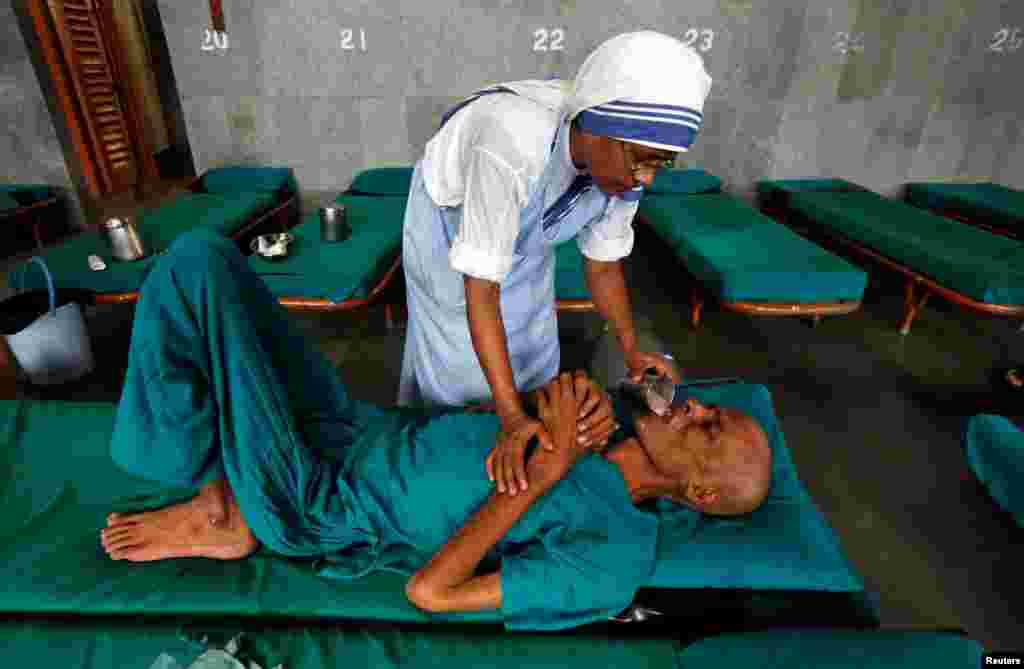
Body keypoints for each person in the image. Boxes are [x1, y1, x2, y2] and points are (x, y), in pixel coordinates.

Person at [99, 233, 770, 630]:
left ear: (700, 494)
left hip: (318, 494)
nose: (692, 407)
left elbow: (432, 592)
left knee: (192, 266)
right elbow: (486, 431)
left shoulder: (614, 558)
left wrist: (548, 470)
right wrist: (544, 405)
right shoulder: (609, 417)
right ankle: (223, 486)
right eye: (709, 407)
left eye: (708, 428)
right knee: (214, 258)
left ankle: (224, 505)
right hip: (352, 424)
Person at [398, 31, 713, 494]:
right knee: (461, 364)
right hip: (448, 228)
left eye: (660, 164)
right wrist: (508, 417)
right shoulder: (511, 140)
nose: (644, 177)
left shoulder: (627, 166)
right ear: (600, 132)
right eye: (642, 161)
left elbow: (603, 265)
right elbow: (480, 288)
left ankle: (523, 443)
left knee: (531, 337)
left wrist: (631, 350)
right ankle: (443, 466)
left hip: (525, 229)